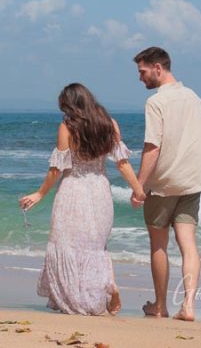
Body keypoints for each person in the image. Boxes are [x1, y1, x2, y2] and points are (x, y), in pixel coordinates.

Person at [19, 83, 145, 315]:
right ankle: (108, 285)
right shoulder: (110, 124)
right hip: (100, 191)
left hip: (73, 191)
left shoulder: (67, 127)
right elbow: (122, 163)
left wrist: (40, 193)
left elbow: (57, 169)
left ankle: (76, 299)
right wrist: (138, 190)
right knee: (97, 247)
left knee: (66, 244)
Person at [131, 46, 201, 322]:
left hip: (164, 183)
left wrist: (139, 185)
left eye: (142, 71)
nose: (140, 78)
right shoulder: (194, 97)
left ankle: (160, 305)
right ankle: (189, 305)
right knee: (188, 245)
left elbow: (152, 147)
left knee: (159, 244)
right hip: (192, 181)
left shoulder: (156, 102)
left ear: (158, 68)